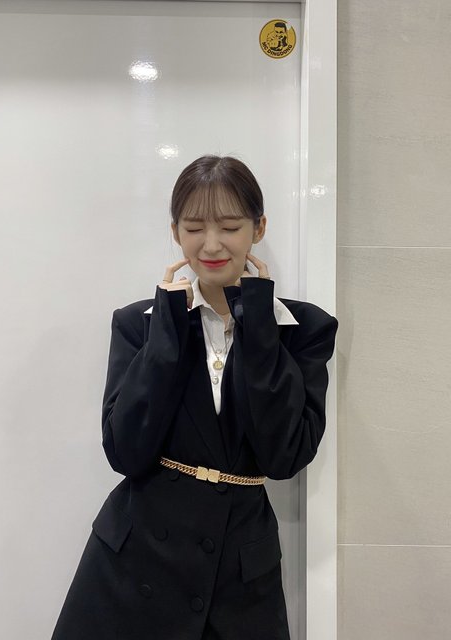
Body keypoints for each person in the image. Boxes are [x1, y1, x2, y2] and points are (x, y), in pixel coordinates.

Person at [51, 155, 338, 640]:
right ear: (175, 232)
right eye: (193, 228)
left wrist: (259, 325)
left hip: (237, 578)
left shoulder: (302, 329)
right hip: (135, 565)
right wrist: (167, 332)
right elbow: (125, 452)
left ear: (259, 227)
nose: (211, 244)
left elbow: (285, 456)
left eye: (229, 226)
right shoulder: (139, 323)